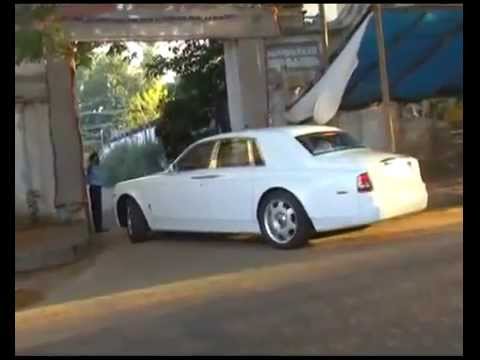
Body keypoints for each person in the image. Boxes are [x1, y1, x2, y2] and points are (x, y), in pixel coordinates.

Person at [86, 152, 107, 233]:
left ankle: (98, 227)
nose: (97, 158)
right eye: (95, 157)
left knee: (97, 208)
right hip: (94, 188)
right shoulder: (91, 167)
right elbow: (88, 178)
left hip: (97, 188)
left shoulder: (96, 167)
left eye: (97, 157)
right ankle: (98, 228)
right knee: (96, 208)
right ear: (92, 159)